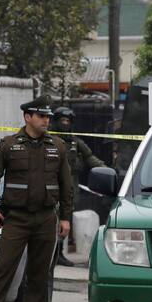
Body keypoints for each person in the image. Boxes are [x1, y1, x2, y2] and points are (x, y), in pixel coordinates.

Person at [0, 95, 73, 302]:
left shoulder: (57, 147)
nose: (46, 120)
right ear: (27, 117)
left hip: (45, 219)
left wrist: (65, 218)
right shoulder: (9, 145)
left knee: (39, 274)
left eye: (48, 116)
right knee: (3, 270)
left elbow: (66, 185)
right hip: (16, 219)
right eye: (41, 116)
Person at [51, 106, 106, 266]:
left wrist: (107, 169)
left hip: (70, 188)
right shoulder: (49, 139)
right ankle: (50, 252)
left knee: (65, 220)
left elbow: (90, 158)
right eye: (62, 120)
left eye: (68, 121)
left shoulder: (76, 142)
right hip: (52, 187)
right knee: (51, 221)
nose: (65, 124)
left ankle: (59, 252)